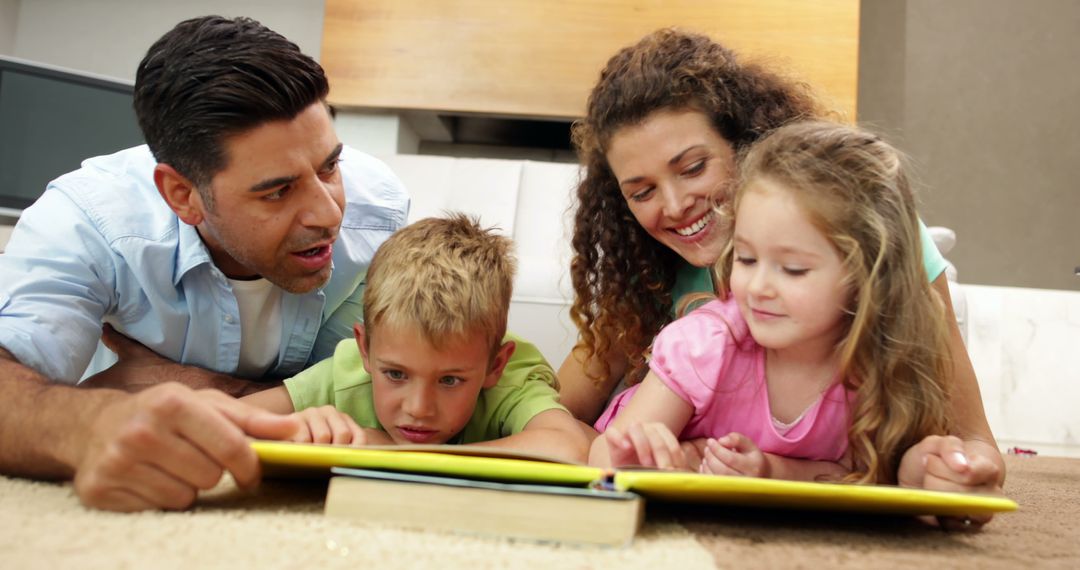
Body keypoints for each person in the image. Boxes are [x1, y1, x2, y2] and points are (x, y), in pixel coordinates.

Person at [559, 28, 1003, 514]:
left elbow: (965, 441)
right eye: (642, 192)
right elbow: (567, 406)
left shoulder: (882, 237)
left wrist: (954, 470)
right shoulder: (655, 278)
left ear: (746, 145)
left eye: (692, 168)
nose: (676, 205)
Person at [0, 16, 408, 511]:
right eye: (278, 192)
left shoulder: (378, 208)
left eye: (329, 167)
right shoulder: (85, 223)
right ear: (183, 195)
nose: (329, 213)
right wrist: (90, 424)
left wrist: (200, 385)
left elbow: (389, 394)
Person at [589, 121, 952, 491]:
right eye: (745, 259)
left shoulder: (875, 365)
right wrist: (637, 461)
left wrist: (769, 470)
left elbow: (859, 475)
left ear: (867, 278)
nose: (758, 287)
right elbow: (603, 452)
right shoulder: (706, 345)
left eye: (793, 269)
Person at [243, 215, 590, 463]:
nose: (418, 408)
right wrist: (296, 429)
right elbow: (230, 420)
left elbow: (567, 447)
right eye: (395, 374)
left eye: (450, 380)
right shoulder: (346, 373)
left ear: (494, 365)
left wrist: (399, 454)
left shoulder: (513, 381)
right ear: (365, 348)